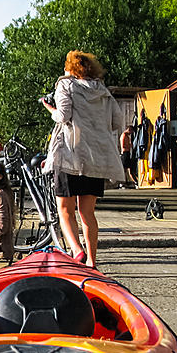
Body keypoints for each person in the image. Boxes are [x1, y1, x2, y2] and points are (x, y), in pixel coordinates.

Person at [42, 50, 125, 269]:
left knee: (65, 209)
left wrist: (50, 108)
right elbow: (118, 122)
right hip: (95, 159)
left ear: (71, 69)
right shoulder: (103, 92)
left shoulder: (66, 85)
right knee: (87, 213)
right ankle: (92, 260)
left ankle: (76, 250)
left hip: (70, 156)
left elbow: (64, 116)